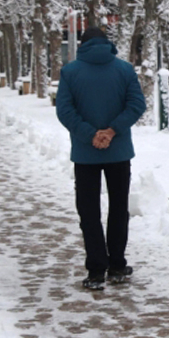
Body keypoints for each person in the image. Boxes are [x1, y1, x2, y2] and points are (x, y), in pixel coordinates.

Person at [56, 26, 146, 291]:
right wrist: (112, 130)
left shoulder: (70, 72)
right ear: (108, 44)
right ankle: (117, 265)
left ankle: (96, 270)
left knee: (89, 211)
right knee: (119, 208)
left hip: (85, 153)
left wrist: (90, 134)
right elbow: (136, 105)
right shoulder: (124, 69)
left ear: (82, 45)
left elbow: (64, 110)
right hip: (118, 152)